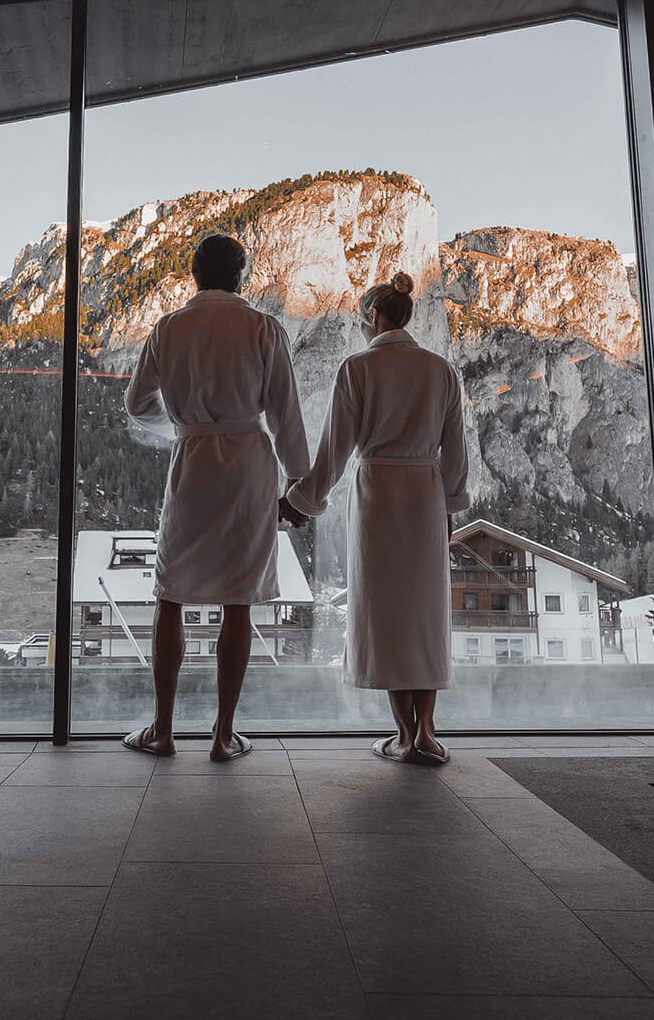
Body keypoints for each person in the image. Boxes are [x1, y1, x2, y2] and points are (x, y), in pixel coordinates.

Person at [122, 234, 310, 762]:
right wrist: (299, 487)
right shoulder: (262, 327)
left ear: (194, 274)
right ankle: (223, 735)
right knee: (237, 599)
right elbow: (285, 415)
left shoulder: (168, 329)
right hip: (249, 465)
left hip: (193, 464)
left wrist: (183, 428)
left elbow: (137, 403)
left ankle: (162, 728)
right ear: (241, 274)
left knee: (170, 593)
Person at [281, 271, 467, 765]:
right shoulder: (441, 370)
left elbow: (335, 451)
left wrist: (300, 501)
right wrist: (448, 508)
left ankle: (404, 736)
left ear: (373, 317)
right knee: (425, 614)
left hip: (378, 496)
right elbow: (456, 458)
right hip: (426, 496)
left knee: (386, 613)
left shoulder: (358, 368)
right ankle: (428, 731)